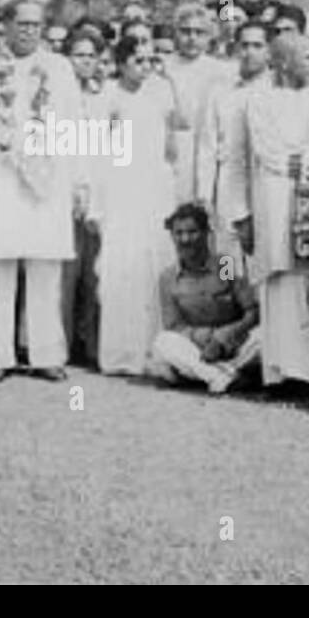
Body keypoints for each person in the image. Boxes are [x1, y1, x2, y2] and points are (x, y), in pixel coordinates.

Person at [0, 0, 87, 383]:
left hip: (48, 178)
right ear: (5, 26)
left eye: (36, 24)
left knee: (45, 266)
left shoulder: (58, 68)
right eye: (22, 23)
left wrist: (80, 181)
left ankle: (46, 353)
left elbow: (73, 126)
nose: (29, 31)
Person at [227, 33, 309, 386]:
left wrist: (306, 158)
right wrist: (240, 214)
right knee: (278, 282)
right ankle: (279, 371)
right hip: (272, 204)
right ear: (287, 61)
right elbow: (250, 158)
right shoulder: (255, 101)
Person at [89, 35, 179, 376]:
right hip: (120, 189)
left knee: (151, 266)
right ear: (122, 62)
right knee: (119, 268)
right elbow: (96, 152)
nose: (145, 67)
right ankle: (119, 353)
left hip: (153, 189)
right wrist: (96, 207)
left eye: (150, 60)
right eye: (137, 60)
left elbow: (171, 145)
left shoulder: (159, 93)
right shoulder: (108, 97)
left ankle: (150, 349)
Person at [146, 202, 260, 394]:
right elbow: (174, 327)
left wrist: (224, 337)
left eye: (192, 232)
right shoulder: (168, 278)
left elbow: (252, 312)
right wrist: (206, 338)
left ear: (207, 232)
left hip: (233, 346)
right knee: (163, 342)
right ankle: (219, 376)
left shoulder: (224, 265)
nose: (185, 239)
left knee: (262, 338)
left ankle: (211, 374)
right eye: (178, 233)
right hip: (198, 351)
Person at [197, 19, 271, 270]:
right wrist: (205, 195)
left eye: (257, 45)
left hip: (265, 184)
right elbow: (207, 146)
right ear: (236, 48)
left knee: (261, 259)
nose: (249, 52)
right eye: (244, 45)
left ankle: (260, 307)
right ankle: (232, 304)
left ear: (269, 50)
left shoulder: (277, 91)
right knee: (228, 256)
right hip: (228, 186)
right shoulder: (220, 91)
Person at [60, 26, 106, 368]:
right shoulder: (54, 96)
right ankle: (58, 342)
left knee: (93, 272)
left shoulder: (104, 97)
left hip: (98, 189)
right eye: (78, 55)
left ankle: (90, 341)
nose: (85, 62)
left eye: (91, 55)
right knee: (65, 272)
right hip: (62, 191)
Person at [164, 3, 232, 205]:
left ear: (209, 36)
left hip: (209, 149)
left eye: (199, 32)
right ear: (176, 33)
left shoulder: (221, 71)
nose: (192, 38)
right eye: (185, 31)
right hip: (174, 148)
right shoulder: (163, 67)